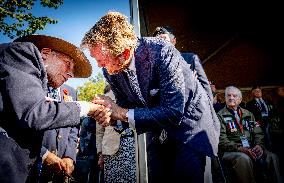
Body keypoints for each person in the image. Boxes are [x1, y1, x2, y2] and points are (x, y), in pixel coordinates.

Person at [80, 11, 220, 183]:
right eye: (96, 59)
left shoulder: (161, 51)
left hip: (189, 128)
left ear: (124, 53)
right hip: (158, 132)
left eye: (102, 59)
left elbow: (173, 111)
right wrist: (110, 117)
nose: (100, 65)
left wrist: (120, 112)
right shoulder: (110, 71)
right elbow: (125, 105)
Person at [0, 34, 110, 183]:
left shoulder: (57, 87)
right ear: (45, 53)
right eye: (68, 64)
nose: (71, 74)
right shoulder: (23, 52)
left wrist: (69, 156)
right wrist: (87, 107)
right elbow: (35, 114)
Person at [218, 86, 283, 183]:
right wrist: (239, 148)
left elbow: (258, 132)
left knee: (272, 157)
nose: (231, 98)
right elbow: (221, 139)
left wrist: (259, 145)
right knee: (244, 158)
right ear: (226, 98)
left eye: (234, 96)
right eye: (228, 95)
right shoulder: (219, 116)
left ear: (240, 100)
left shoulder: (249, 114)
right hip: (231, 150)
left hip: (251, 147)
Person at [38, 84, 79, 183]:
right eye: (67, 67)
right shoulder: (36, 86)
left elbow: (74, 127)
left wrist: (69, 156)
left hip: (61, 167)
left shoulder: (71, 91)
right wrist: (44, 154)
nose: (70, 74)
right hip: (34, 163)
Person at [96, 84, 136, 183]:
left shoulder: (133, 94)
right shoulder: (106, 98)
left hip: (133, 147)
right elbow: (99, 131)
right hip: (110, 149)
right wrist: (100, 154)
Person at [246, 85, 277, 150]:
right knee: (264, 139)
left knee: (274, 138)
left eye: (259, 91)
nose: (258, 92)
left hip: (270, 123)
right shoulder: (249, 104)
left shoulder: (268, 101)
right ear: (252, 93)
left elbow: (273, 112)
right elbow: (250, 116)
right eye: (256, 91)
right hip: (259, 124)